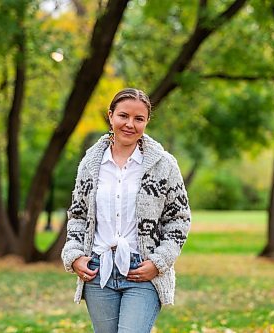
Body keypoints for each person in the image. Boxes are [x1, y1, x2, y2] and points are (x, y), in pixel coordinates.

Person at [61, 88, 191, 333]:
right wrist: (74, 255)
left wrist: (159, 262)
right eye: (123, 116)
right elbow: (78, 216)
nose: (130, 124)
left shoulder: (164, 165)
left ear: (146, 122)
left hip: (142, 271)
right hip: (98, 271)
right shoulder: (90, 164)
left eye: (138, 118)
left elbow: (179, 219)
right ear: (111, 116)